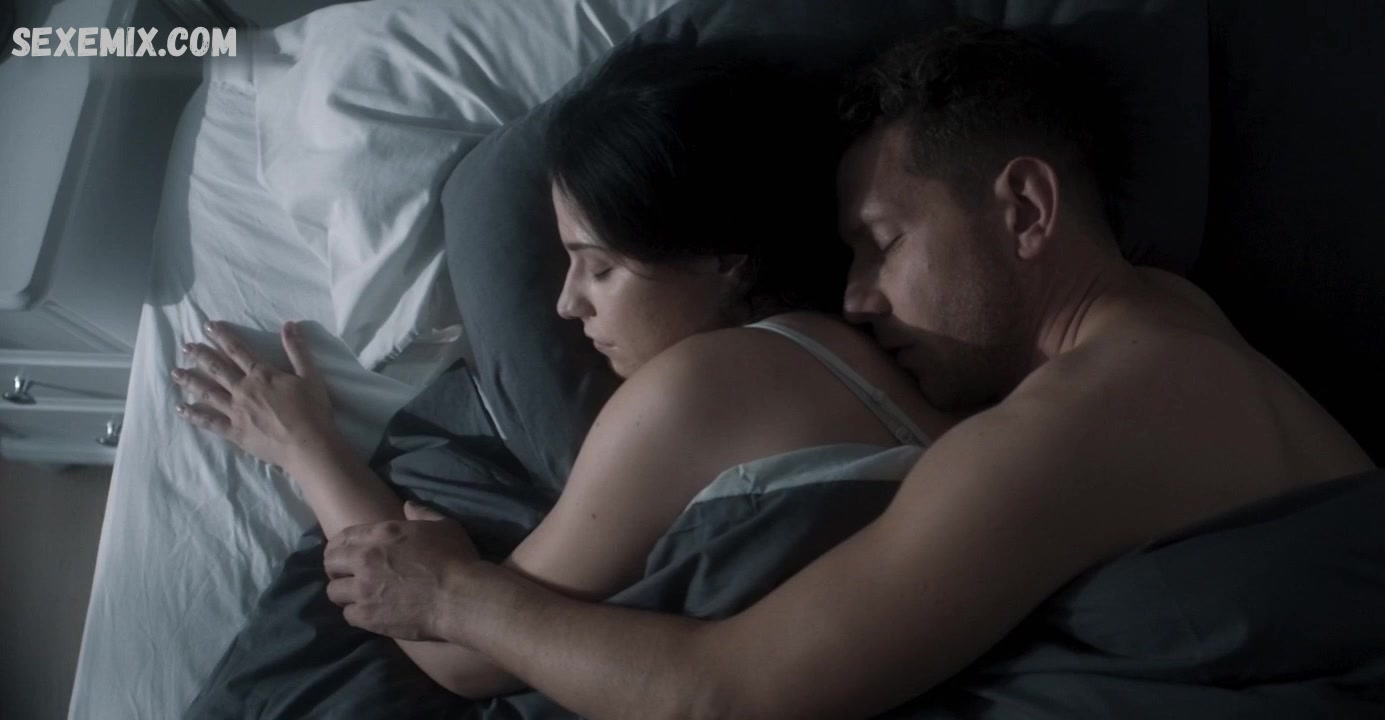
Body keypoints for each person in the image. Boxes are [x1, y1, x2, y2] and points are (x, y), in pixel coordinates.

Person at [320, 23, 1378, 719]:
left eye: (883, 243)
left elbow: (724, 698)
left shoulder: (1076, 424)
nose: (860, 298)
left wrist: (455, 595)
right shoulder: (1177, 321)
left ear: (1025, 209)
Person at [170, 45, 953, 698]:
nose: (568, 303)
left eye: (599, 267)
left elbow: (464, 660)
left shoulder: (700, 389)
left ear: (723, 259)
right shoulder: (853, 361)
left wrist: (307, 447)